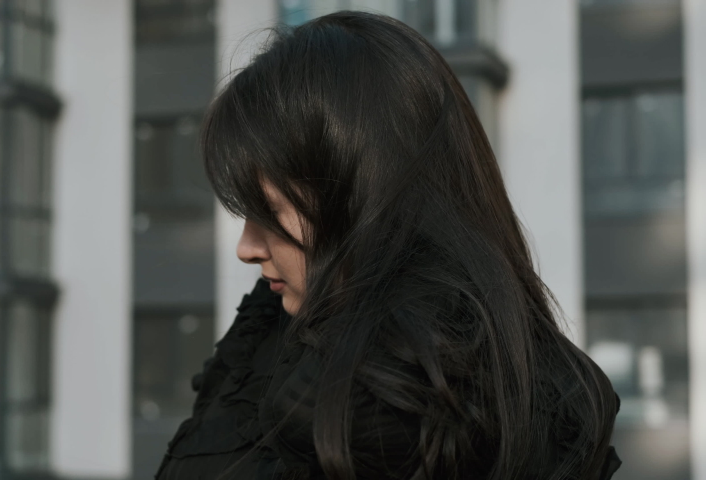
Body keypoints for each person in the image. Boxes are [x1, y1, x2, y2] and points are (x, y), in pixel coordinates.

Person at [155, 10, 621, 480]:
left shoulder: (394, 409)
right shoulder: (271, 335)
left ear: (364, 195)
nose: (247, 247)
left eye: (270, 214)